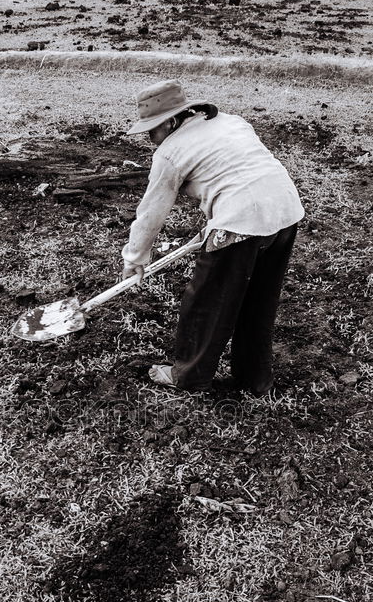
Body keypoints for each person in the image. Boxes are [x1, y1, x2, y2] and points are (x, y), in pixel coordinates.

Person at [122, 78, 304, 394]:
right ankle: (254, 378)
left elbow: (152, 211)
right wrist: (215, 221)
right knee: (257, 302)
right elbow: (238, 172)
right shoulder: (231, 122)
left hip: (241, 221)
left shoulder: (170, 152)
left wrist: (135, 257)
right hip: (286, 211)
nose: (150, 138)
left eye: (152, 129)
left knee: (205, 302)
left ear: (172, 121)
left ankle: (188, 376)